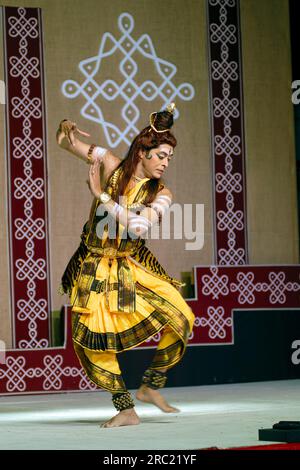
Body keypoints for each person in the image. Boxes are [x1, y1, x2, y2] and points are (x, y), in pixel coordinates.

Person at [56, 103, 195, 428]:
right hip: (94, 266)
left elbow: (138, 228)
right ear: (142, 153)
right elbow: (66, 143)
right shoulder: (110, 163)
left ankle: (150, 385)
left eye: (169, 158)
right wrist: (66, 127)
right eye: (160, 155)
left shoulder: (161, 193)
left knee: (181, 316)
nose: (164, 162)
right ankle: (125, 407)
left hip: (130, 262)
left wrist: (101, 197)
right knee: (93, 339)